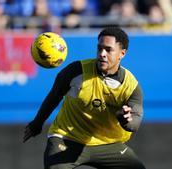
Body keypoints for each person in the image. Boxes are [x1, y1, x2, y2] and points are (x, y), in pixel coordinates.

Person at [23, 27, 145, 169]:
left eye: (108, 49)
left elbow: (134, 122)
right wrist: (37, 123)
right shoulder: (76, 71)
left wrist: (125, 121)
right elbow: (53, 97)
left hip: (108, 145)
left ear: (122, 54)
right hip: (68, 138)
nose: (102, 54)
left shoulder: (131, 87)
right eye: (99, 48)